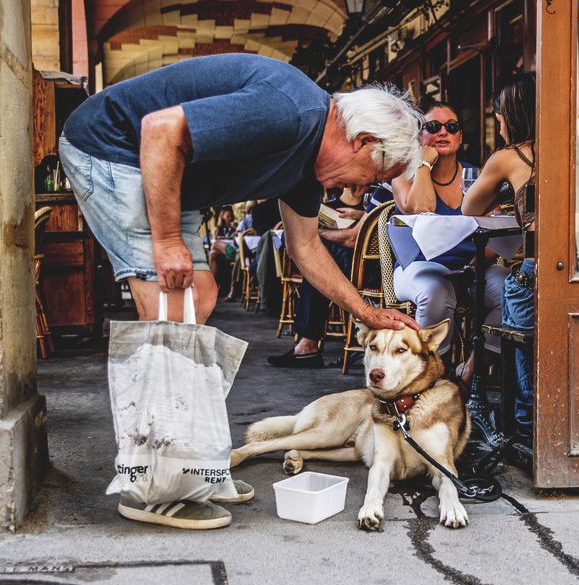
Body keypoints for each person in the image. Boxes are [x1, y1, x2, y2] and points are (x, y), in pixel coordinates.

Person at [59, 53, 422, 529]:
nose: (360, 188)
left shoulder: (308, 160)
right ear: (362, 141)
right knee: (168, 312)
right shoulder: (290, 113)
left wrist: (368, 312)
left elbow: (306, 248)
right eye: (373, 176)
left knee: (200, 297)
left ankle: (193, 466)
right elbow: (161, 130)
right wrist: (167, 242)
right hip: (115, 149)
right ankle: (153, 486)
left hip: (170, 171)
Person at [391, 101, 508, 362]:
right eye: (433, 127)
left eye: (451, 127)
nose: (443, 132)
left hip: (470, 267)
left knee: (509, 290)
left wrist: (472, 268)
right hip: (418, 266)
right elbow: (422, 207)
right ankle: (432, 375)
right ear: (419, 135)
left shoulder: (476, 176)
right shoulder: (403, 173)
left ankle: (469, 373)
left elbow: (493, 234)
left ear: (460, 136)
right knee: (436, 289)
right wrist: (423, 163)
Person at [462, 73, 537, 436]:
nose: (499, 124)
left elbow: (468, 207)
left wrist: (505, 191)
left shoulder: (510, 156)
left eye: (500, 117)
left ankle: (525, 429)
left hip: (538, 271)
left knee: (515, 299)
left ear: (513, 115)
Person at [267, 185, 370, 368]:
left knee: (320, 263)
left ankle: (308, 344)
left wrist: (314, 236)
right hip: (369, 263)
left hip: (372, 268)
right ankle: (308, 343)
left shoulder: (384, 192)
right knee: (320, 262)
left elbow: (351, 239)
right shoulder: (383, 193)